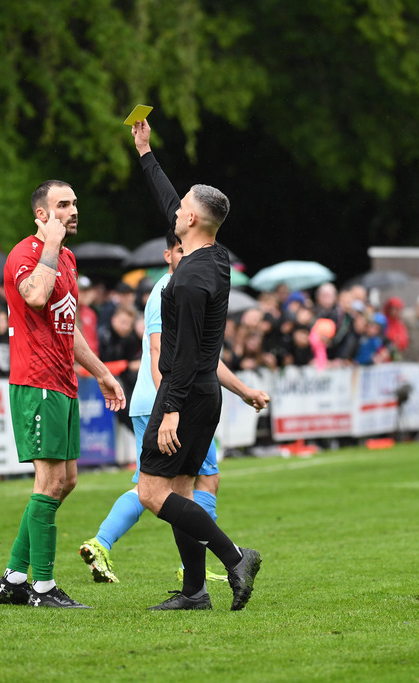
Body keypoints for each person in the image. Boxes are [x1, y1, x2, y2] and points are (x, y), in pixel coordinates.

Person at [79, 228, 269, 585]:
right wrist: (169, 406)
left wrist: (242, 390)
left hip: (169, 401)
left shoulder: (187, 288)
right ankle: (224, 561)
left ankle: (185, 582)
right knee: (190, 485)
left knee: (163, 487)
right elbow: (157, 351)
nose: (187, 256)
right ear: (168, 256)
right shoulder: (171, 290)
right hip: (172, 404)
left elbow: (200, 357)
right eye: (180, 251)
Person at [129, 118, 262, 611]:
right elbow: (172, 203)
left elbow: (179, 358)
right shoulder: (216, 256)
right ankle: (194, 591)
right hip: (207, 394)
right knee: (182, 490)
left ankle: (234, 556)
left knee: (151, 492)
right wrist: (146, 154)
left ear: (191, 224)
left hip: (184, 394)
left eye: (182, 207)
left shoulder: (185, 282)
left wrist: (168, 412)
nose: (175, 210)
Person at [0, 179, 126, 610]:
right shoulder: (27, 255)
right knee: (49, 482)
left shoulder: (66, 257)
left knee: (66, 481)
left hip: (62, 382)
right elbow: (36, 296)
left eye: (74, 202)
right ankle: (42, 588)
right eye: (62, 205)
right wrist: (51, 243)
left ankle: (14, 577)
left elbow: (70, 330)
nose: (72, 210)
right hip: (36, 382)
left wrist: (102, 374)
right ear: (41, 215)